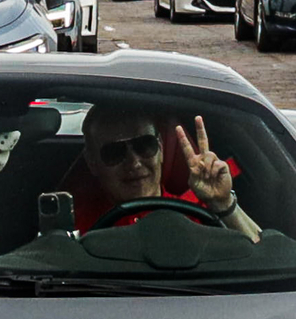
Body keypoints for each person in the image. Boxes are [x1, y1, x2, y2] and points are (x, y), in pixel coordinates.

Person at [70, 102, 262, 242]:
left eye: (144, 146)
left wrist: (223, 203)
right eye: (114, 153)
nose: (135, 163)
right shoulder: (75, 227)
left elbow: (261, 257)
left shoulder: (198, 213)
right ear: (93, 163)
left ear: (161, 149)